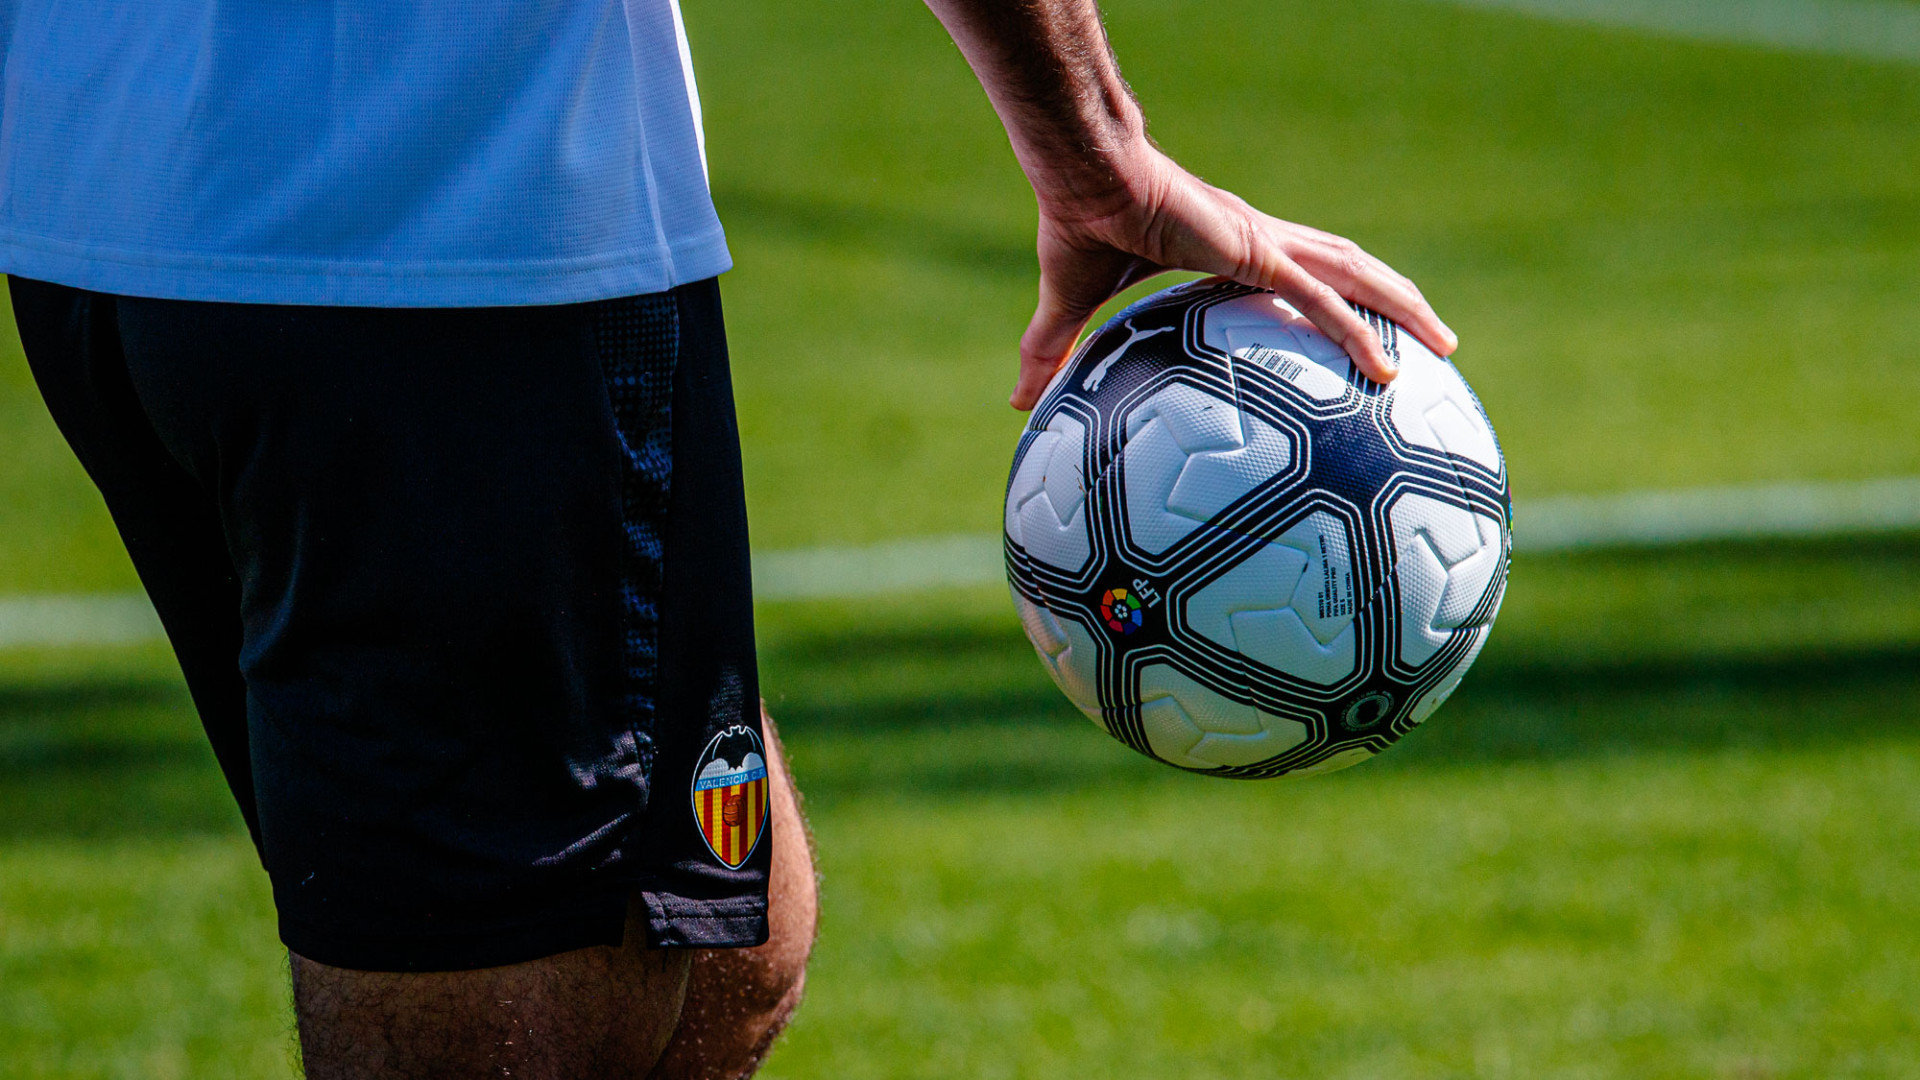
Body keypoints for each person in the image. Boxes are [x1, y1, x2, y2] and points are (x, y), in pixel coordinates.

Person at [0, 0, 1454, 1075]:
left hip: (110, 179)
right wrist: (1100, 150)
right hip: (445, 225)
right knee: (523, 1012)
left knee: (711, 934)